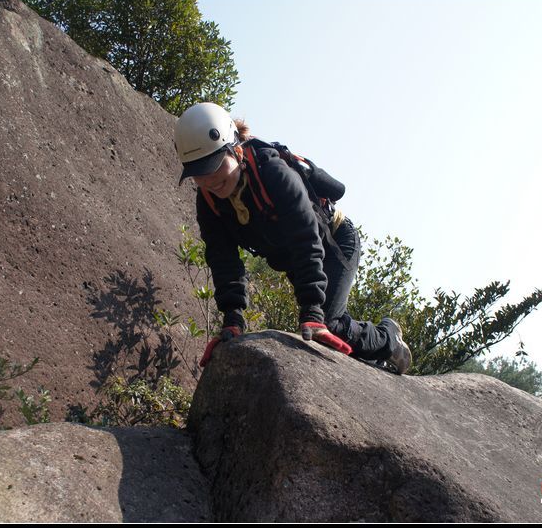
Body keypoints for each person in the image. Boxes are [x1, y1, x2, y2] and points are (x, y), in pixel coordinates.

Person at [174, 102, 412, 374]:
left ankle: (388, 338)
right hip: (294, 255)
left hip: (333, 240)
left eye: (216, 165)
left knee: (327, 322)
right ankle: (370, 362)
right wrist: (232, 319)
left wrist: (311, 309)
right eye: (199, 172)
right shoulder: (208, 201)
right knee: (330, 329)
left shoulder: (272, 173)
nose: (211, 180)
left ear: (235, 150)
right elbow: (222, 258)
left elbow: (306, 236)